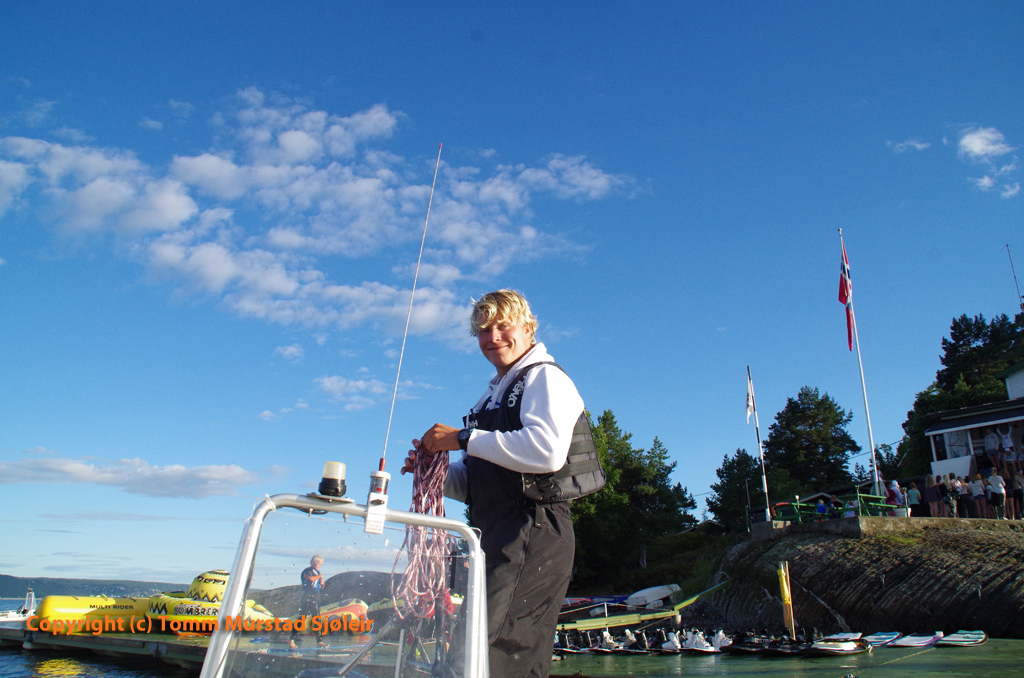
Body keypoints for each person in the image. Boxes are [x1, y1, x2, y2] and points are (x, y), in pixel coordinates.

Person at [403, 289, 598, 678]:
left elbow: (546, 452)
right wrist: (434, 473)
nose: (492, 337)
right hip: (492, 534)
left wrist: (462, 438)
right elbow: (474, 484)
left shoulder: (544, 377)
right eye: (483, 330)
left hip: (533, 530)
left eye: (503, 326)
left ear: (528, 328)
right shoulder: (489, 400)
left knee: (497, 652)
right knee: (474, 649)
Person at [290, 555, 325, 650]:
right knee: (302, 619)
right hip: (306, 598)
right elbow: (310, 579)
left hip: (314, 597)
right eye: (319, 564)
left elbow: (320, 586)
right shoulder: (307, 571)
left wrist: (322, 583)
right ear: (313, 562)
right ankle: (291, 639)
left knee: (316, 619)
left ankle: (319, 641)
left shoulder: (317, 572)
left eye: (321, 565)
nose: (320, 566)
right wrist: (319, 576)